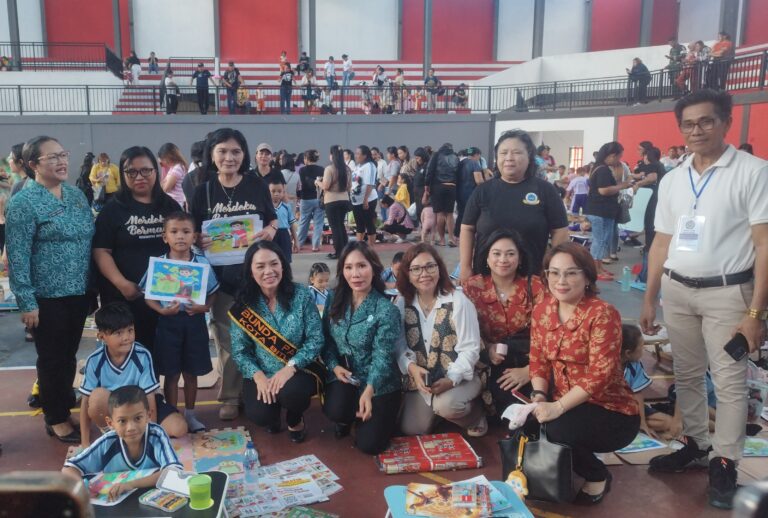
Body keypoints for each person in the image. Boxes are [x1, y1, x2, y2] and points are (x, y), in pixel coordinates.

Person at [640, 89, 768, 510]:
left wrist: (756, 313)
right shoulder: (673, 178)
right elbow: (661, 243)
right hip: (678, 291)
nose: (696, 130)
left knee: (729, 382)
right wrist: (650, 297)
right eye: (688, 124)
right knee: (688, 374)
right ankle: (695, 444)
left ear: (726, 122)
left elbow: (764, 244)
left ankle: (725, 461)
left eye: (706, 121)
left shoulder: (753, 172)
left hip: (729, 293)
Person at [530, 242, 639, 505]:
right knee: (525, 423)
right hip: (566, 404)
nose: (561, 281)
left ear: (588, 277)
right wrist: (539, 396)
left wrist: (557, 407)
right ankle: (560, 469)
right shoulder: (542, 309)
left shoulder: (603, 314)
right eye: (554, 273)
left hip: (610, 410)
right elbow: (538, 359)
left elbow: (600, 374)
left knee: (555, 429)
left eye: (571, 273)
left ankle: (597, 475)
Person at [5, 136, 93, 444]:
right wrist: (26, 301)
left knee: (68, 354)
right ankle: (55, 417)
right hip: (46, 296)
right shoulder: (23, 203)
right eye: (52, 157)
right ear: (33, 165)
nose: (61, 161)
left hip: (79, 292)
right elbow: (17, 256)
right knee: (52, 357)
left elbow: (89, 238)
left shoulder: (75, 195)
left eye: (63, 154)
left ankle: (63, 402)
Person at [189, 128, 278, 421]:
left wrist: (270, 230)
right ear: (212, 155)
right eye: (223, 151)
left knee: (259, 334)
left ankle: (259, 389)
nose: (229, 157)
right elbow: (191, 230)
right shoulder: (202, 191)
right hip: (220, 280)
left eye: (236, 151)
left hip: (257, 276)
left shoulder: (256, 185)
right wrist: (196, 238)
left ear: (244, 154)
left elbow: (272, 218)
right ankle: (229, 395)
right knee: (226, 337)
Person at [231, 241, 325, 443]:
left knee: (293, 394)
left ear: (283, 265)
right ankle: (272, 416)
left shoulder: (301, 295)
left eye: (274, 263)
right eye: (260, 266)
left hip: (299, 369)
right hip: (262, 372)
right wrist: (258, 377)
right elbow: (240, 352)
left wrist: (290, 368)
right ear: (250, 271)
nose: (269, 271)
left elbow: (316, 339)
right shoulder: (243, 305)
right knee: (260, 415)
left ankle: (294, 417)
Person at [93, 146, 182, 358]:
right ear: (123, 174)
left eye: (146, 170)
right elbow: (101, 251)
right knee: (126, 354)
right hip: (123, 296)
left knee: (162, 353)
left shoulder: (170, 206)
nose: (139, 177)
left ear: (156, 171)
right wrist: (122, 283)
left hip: (162, 296)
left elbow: (183, 245)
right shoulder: (112, 209)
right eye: (131, 172)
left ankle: (153, 382)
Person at [396, 243, 488, 437]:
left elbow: (470, 349)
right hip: (424, 381)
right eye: (416, 269)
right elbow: (399, 345)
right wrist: (411, 368)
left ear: (440, 269)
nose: (424, 274)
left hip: (459, 376)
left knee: (447, 405)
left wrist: (451, 379)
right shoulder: (402, 302)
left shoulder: (458, 301)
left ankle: (475, 415)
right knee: (412, 429)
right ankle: (438, 412)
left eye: (430, 266)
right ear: (407, 274)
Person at [140, 212, 218, 433]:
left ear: (194, 236)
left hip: (194, 323)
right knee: (171, 373)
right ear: (165, 237)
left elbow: (213, 291)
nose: (180, 236)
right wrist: (161, 311)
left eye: (186, 231)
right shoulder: (159, 265)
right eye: (174, 232)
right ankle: (173, 414)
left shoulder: (201, 263)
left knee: (191, 373)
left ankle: (191, 415)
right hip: (168, 324)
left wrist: (204, 307)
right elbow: (147, 296)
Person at [321, 242, 402, 454]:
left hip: (379, 383)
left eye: (361, 266)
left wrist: (370, 390)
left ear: (374, 268)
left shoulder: (386, 310)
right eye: (348, 267)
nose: (355, 274)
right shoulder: (334, 298)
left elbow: (383, 356)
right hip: (346, 376)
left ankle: (384, 413)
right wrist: (333, 366)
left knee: (370, 445)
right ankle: (348, 417)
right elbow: (326, 339)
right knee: (335, 410)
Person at [459, 130, 569, 283]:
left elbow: (560, 231)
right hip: (486, 278)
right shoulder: (483, 191)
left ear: (529, 157)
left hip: (531, 279)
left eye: (517, 152)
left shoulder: (545, 190)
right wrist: (465, 266)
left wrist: (553, 269)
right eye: (503, 153)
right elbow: (467, 228)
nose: (509, 158)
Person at [78, 302, 188, 445]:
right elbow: (85, 402)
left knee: (179, 427)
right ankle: (112, 432)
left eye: (130, 330)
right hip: (115, 408)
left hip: (140, 405)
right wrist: (85, 444)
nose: (126, 337)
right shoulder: (94, 360)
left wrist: (149, 439)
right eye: (118, 333)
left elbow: (150, 398)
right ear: (102, 337)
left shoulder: (143, 355)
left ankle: (136, 433)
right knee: (97, 397)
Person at [462, 229, 545, 416]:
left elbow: (550, 334)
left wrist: (530, 370)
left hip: (529, 360)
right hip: (487, 361)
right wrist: (488, 347)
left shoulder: (537, 287)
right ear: (486, 257)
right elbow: (462, 329)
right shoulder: (472, 287)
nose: (503, 260)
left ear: (520, 258)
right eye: (496, 253)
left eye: (510, 254)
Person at [63, 385, 182, 497]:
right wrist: (80, 487)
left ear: (148, 416)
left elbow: (173, 471)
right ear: (110, 423)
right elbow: (69, 468)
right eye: (122, 421)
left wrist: (130, 485)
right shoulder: (107, 442)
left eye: (138, 418)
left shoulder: (156, 435)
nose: (131, 427)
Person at [583, 141, 633, 280]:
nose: (619, 161)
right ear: (611, 155)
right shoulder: (603, 169)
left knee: (602, 240)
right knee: (600, 240)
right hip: (600, 210)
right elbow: (603, 190)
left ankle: (599, 267)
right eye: (619, 157)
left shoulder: (598, 167)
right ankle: (595, 269)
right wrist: (623, 185)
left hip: (601, 210)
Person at [318, 145, 351, 260]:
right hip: (344, 200)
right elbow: (349, 187)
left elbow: (326, 186)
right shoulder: (347, 169)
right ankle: (345, 251)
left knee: (335, 227)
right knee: (341, 225)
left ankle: (338, 252)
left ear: (332, 155)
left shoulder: (329, 169)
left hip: (332, 201)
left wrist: (317, 182)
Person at [424, 143, 459, 247]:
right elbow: (458, 172)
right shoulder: (455, 156)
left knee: (440, 214)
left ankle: (442, 240)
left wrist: (427, 184)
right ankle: (451, 238)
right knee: (449, 214)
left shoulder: (436, 155)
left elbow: (430, 170)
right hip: (452, 186)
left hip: (438, 186)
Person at [296, 149, 325, 252]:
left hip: (305, 198)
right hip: (318, 198)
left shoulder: (302, 170)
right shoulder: (322, 169)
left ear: (306, 158)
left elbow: (301, 184)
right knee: (318, 223)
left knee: (303, 222)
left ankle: (299, 244)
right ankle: (315, 245)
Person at [350, 145, 379, 247]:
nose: (356, 155)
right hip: (356, 200)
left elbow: (370, 183)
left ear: (365, 155)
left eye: (358, 153)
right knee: (359, 224)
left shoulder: (370, 166)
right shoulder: (358, 166)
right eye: (355, 153)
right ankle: (359, 246)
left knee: (369, 223)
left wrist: (366, 199)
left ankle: (371, 247)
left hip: (368, 200)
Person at [455, 147, 485, 238]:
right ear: (476, 155)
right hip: (470, 193)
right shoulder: (474, 164)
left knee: (461, 213)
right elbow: (479, 181)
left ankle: (457, 234)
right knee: (470, 215)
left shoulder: (459, 163)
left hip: (458, 193)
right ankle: (467, 236)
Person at [268, 177, 299, 262]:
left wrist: (296, 241)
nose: (276, 194)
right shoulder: (266, 207)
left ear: (283, 192)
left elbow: (292, 224)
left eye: (279, 191)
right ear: (268, 192)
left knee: (285, 260)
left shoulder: (286, 207)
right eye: (273, 191)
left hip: (284, 236)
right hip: (271, 235)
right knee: (271, 260)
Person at [157, 143, 188, 208]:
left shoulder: (177, 168)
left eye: (163, 159)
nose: (162, 162)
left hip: (175, 203)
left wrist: (164, 184)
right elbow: (163, 184)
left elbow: (166, 189)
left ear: (168, 157)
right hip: (172, 202)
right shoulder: (173, 168)